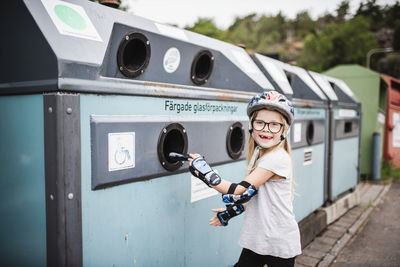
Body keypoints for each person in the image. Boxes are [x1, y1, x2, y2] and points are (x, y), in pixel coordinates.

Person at [188, 91, 301, 267]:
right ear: (251, 126)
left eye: (274, 125)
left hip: (278, 241)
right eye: (260, 122)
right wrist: (231, 212)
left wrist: (203, 170)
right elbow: (253, 194)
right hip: (259, 239)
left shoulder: (277, 158)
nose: (266, 129)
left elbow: (238, 189)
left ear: (283, 131)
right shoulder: (259, 154)